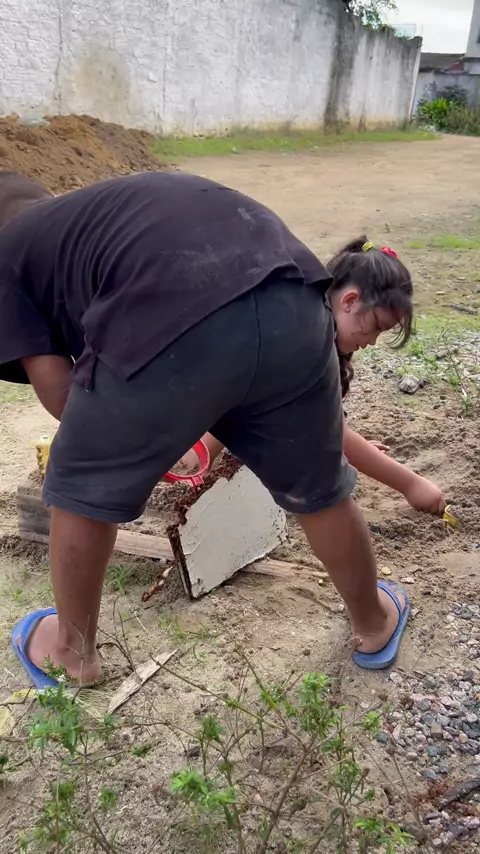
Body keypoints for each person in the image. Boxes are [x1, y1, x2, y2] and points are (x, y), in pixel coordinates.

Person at [0, 169, 441, 689]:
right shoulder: (78, 218)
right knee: (318, 490)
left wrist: (130, 442)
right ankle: (373, 622)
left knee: (82, 481)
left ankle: (71, 656)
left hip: (175, 300)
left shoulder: (9, 252)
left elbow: (60, 394)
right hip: (294, 300)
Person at [191, 238, 446, 516]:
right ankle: (194, 460)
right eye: (376, 326)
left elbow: (326, 427)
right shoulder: (302, 342)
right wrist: (410, 484)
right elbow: (331, 431)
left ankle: (197, 459)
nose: (373, 341)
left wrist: (348, 450)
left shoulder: (321, 329)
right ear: (350, 301)